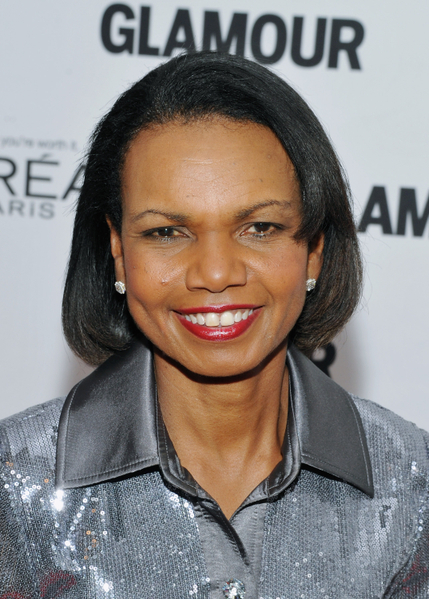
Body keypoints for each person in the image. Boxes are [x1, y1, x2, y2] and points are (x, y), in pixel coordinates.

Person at [1, 52, 428, 599]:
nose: (217, 273)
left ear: (315, 249)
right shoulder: (13, 490)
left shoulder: (413, 485)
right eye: (167, 232)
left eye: (260, 227)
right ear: (118, 251)